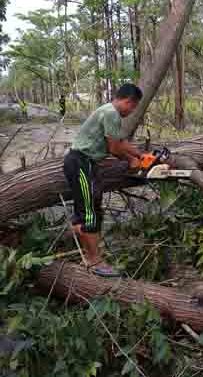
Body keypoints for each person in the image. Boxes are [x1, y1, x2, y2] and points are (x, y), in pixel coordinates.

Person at [63, 83, 144, 277]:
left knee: (92, 209)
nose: (132, 111)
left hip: (87, 165)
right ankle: (93, 262)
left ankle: (86, 250)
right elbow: (115, 149)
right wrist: (131, 160)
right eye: (133, 107)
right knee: (89, 213)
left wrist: (141, 155)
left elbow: (121, 142)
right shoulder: (111, 113)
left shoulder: (109, 112)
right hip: (80, 163)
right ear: (128, 101)